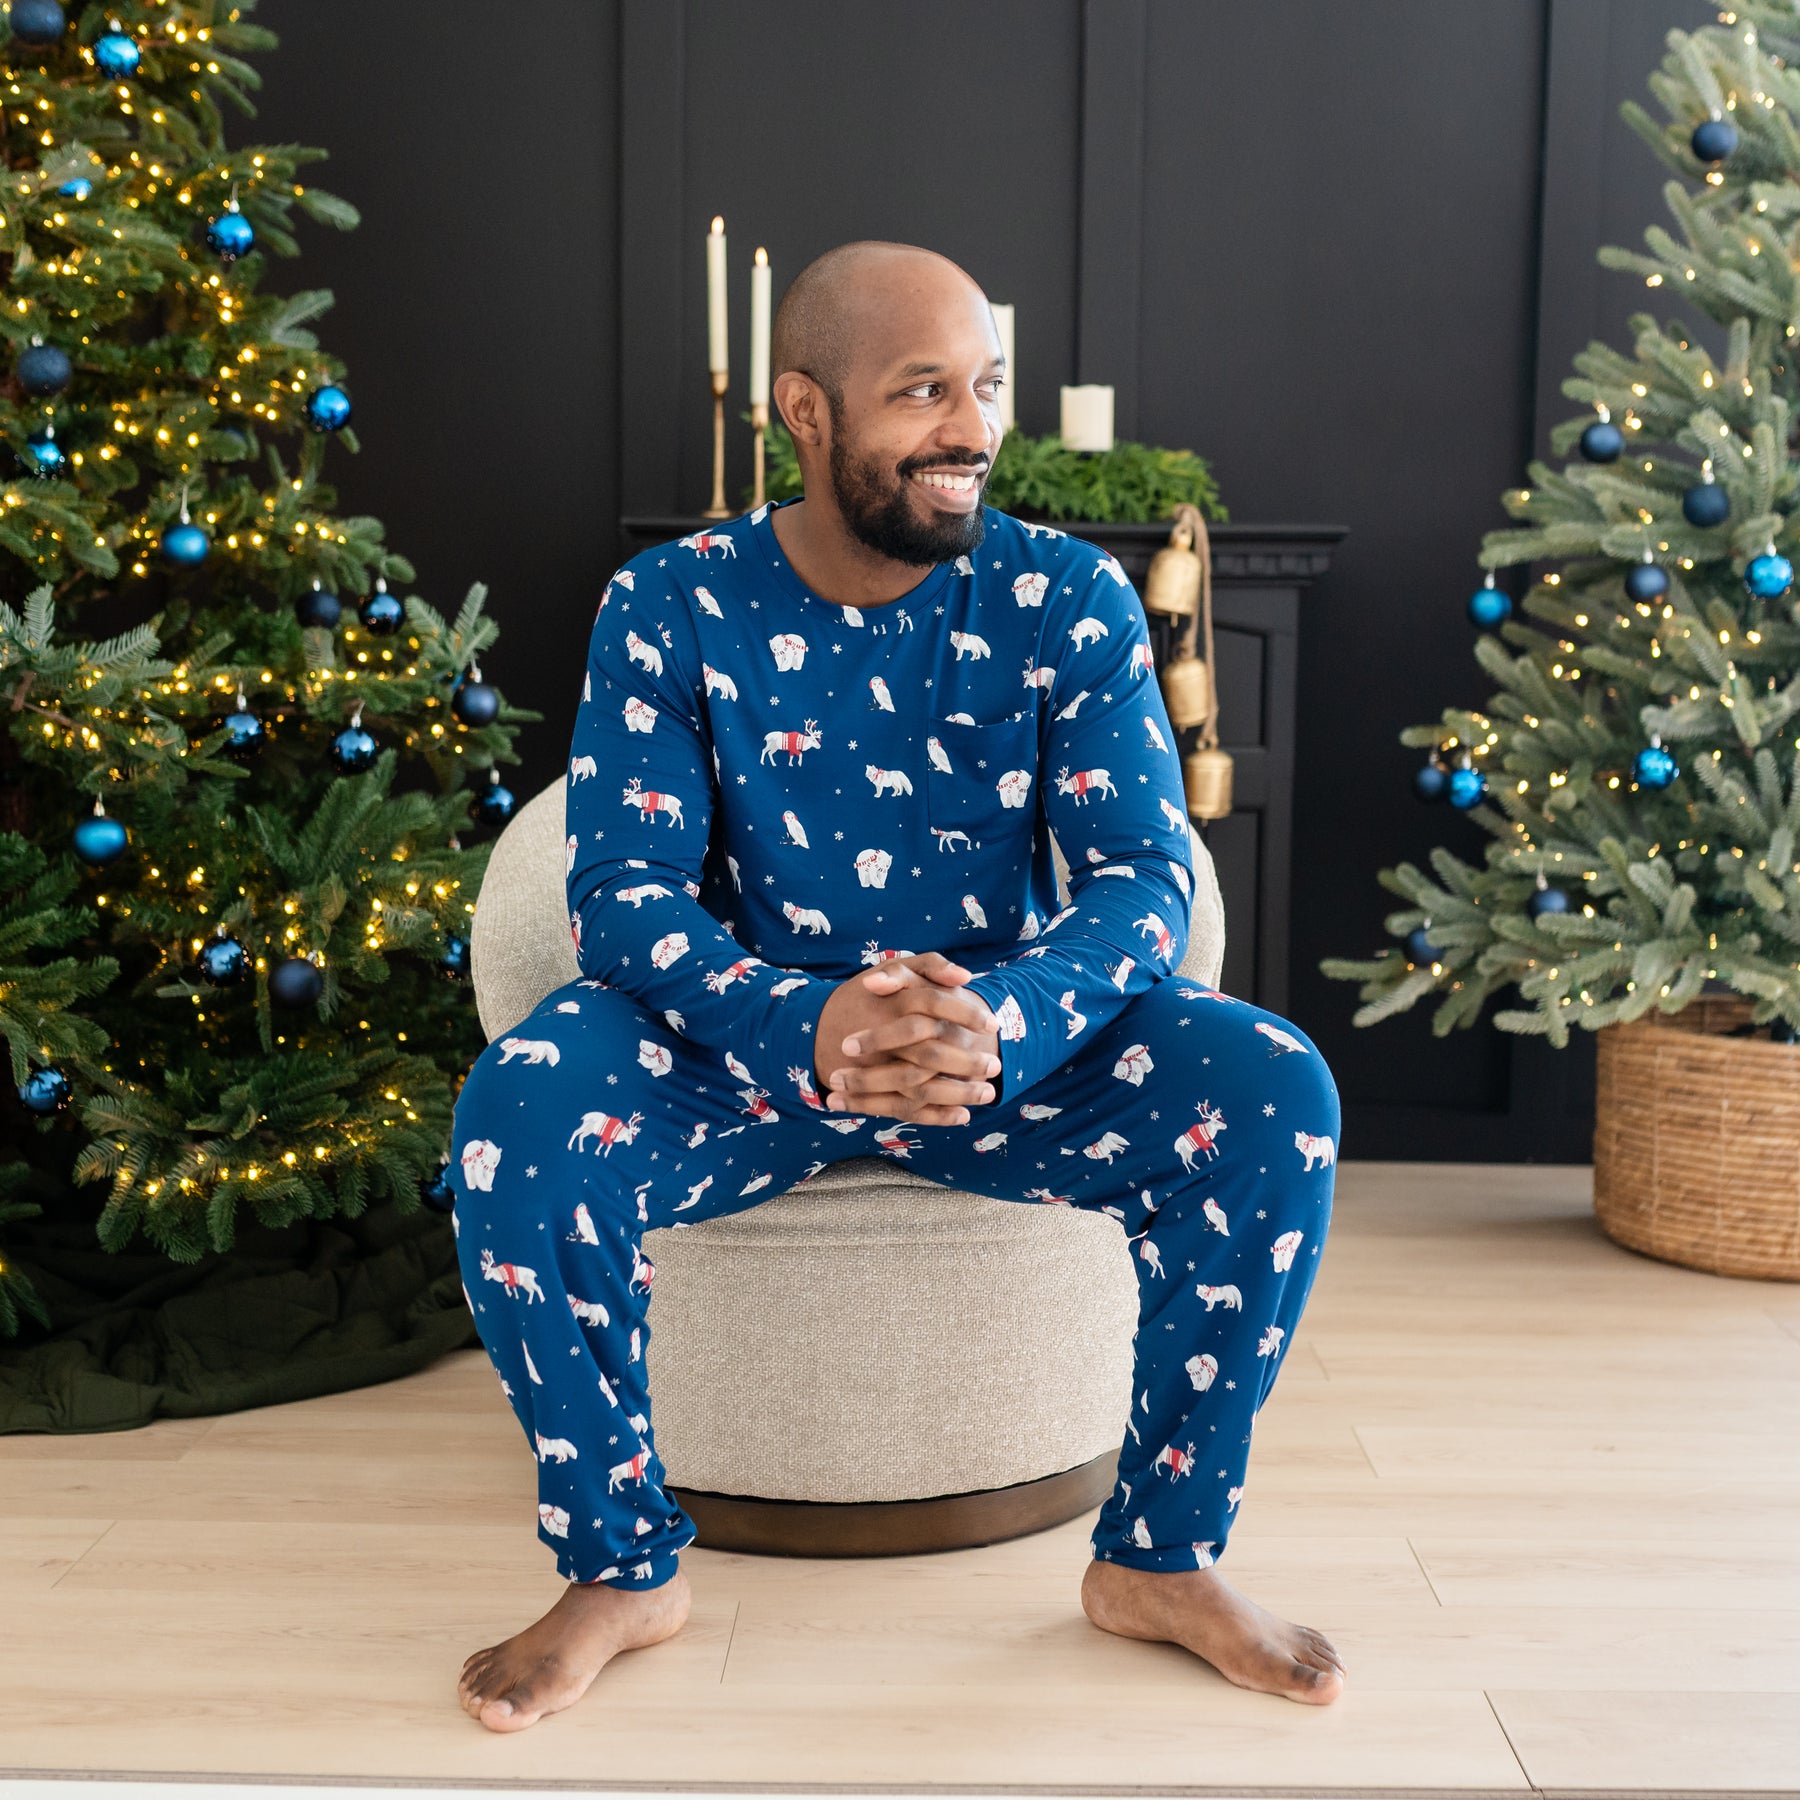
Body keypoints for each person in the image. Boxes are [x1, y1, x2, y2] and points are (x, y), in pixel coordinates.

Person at [449, 240, 1345, 1731]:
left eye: (986, 385)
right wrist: (799, 1020)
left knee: (1277, 1095)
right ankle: (622, 1567)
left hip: (1007, 1049)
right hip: (738, 1053)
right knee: (517, 1118)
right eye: (923, 390)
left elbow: (1145, 875)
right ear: (804, 411)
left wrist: (1009, 1016)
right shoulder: (667, 603)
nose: (972, 430)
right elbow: (620, 895)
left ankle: (1159, 1561)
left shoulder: (1066, 597)